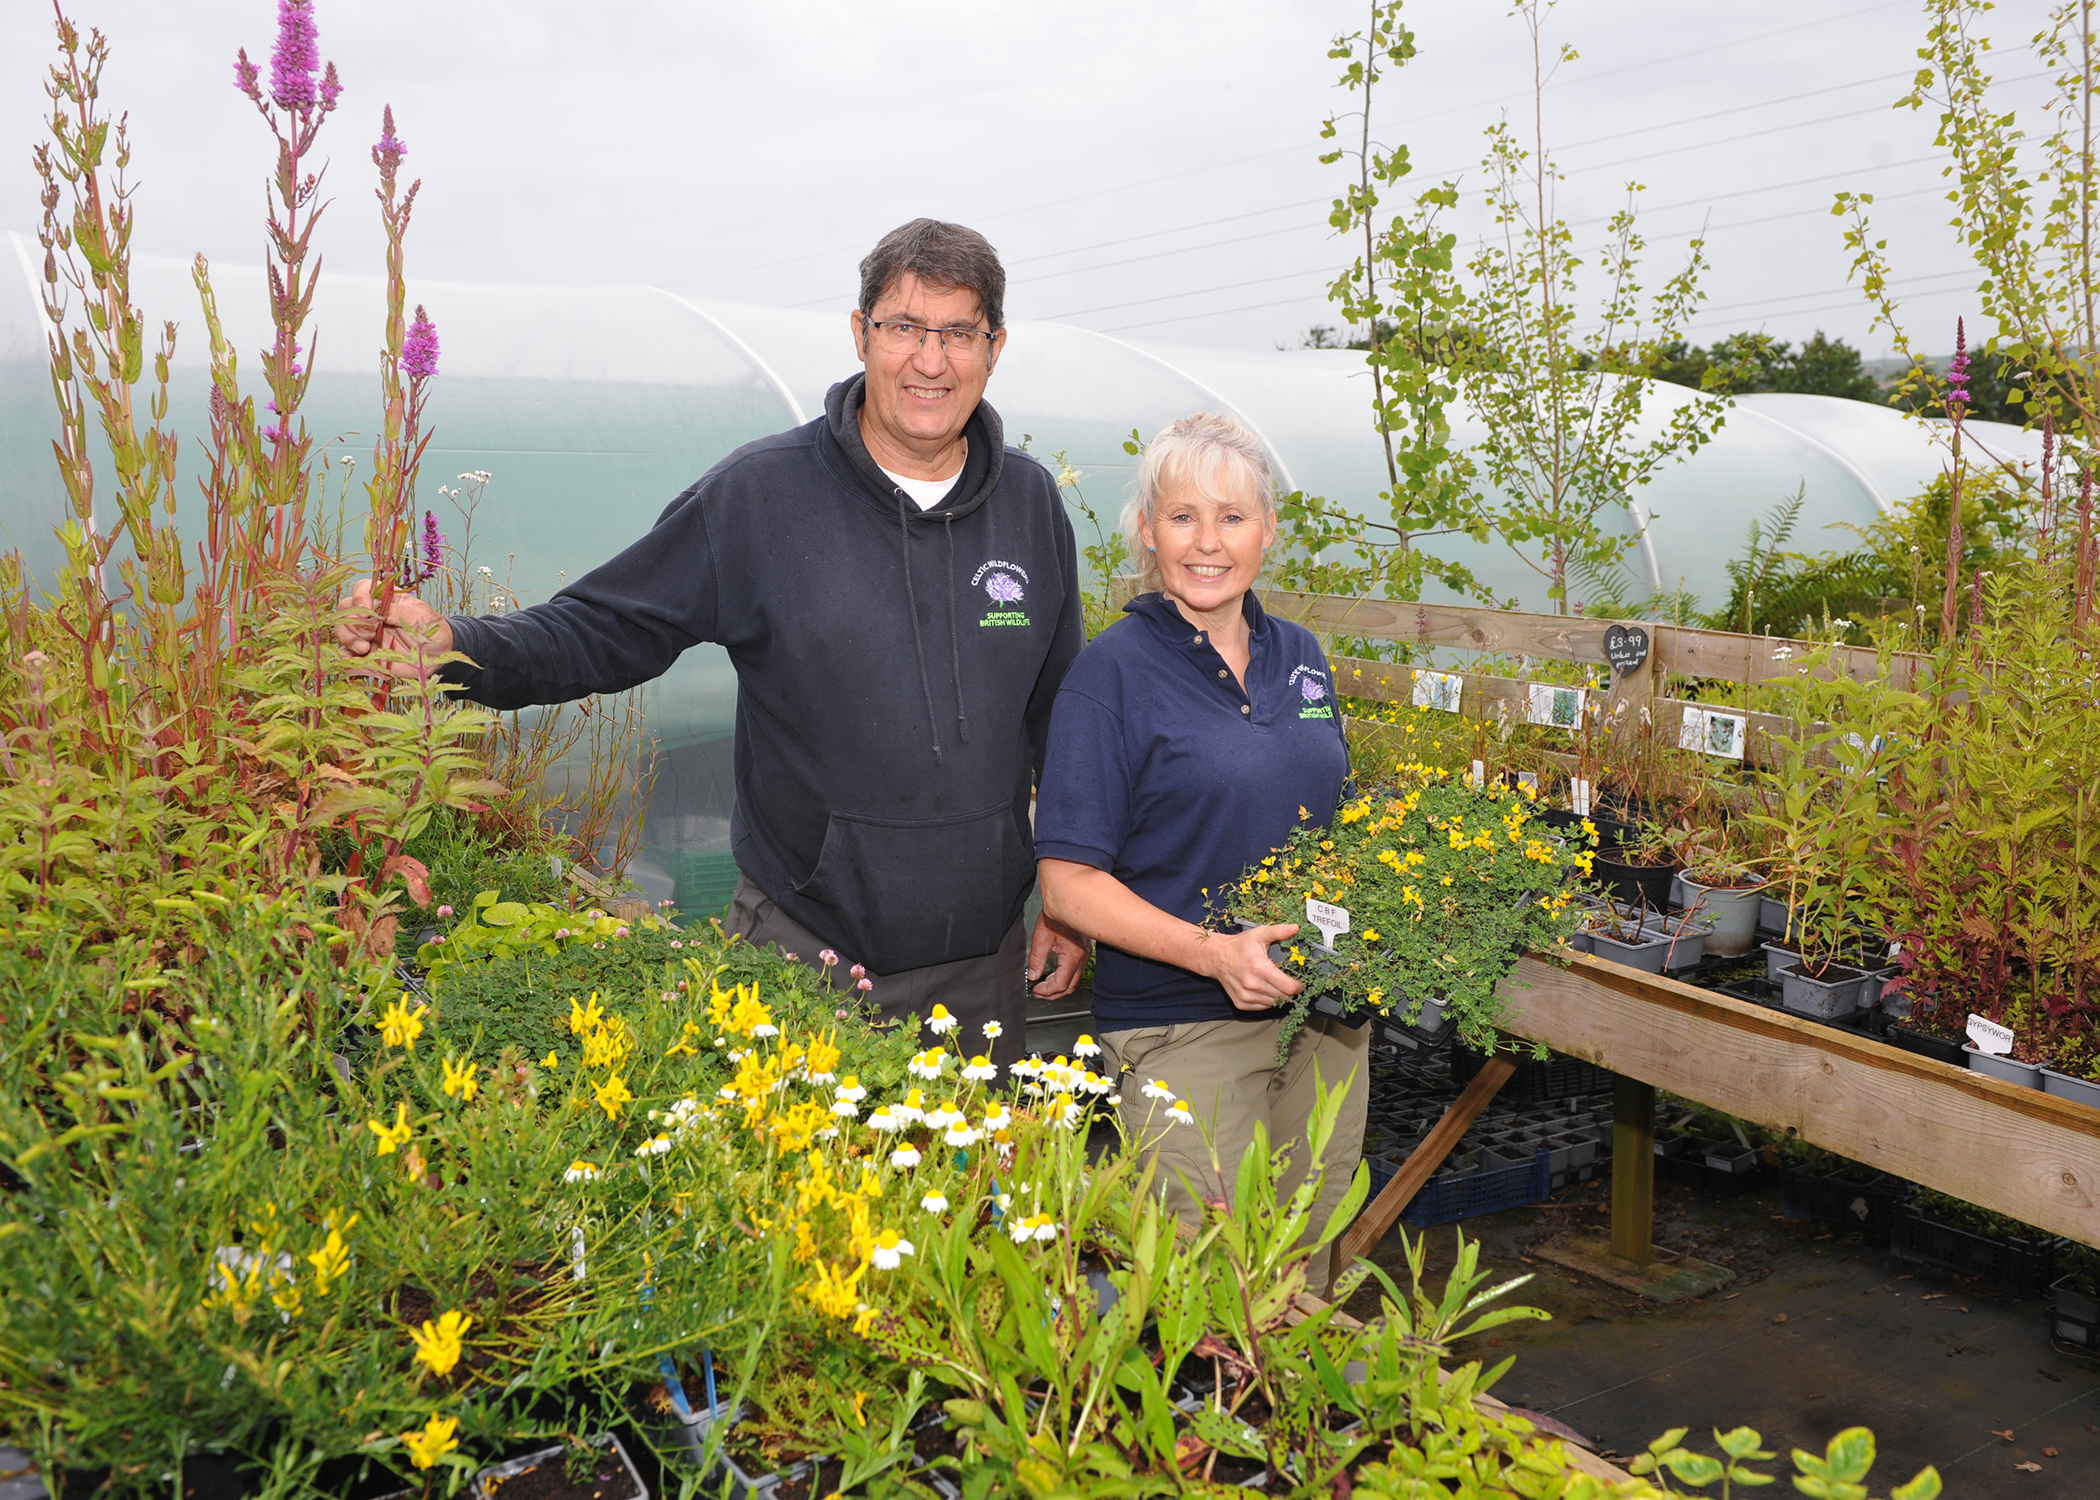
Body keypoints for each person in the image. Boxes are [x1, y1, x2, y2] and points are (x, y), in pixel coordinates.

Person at [338, 219, 1088, 1067]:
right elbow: (606, 627)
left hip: (982, 970)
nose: (930, 359)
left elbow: (1063, 725)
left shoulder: (1028, 505)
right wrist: (455, 646)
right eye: (904, 327)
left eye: (958, 333)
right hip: (808, 960)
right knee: (789, 1194)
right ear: (859, 334)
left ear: (994, 348)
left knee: (983, 1197)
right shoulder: (762, 497)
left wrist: (1069, 898)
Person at [1032, 412, 1363, 1286]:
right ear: (1147, 531)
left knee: (1303, 1273)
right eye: (1182, 517)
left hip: (1322, 1019)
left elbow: (1334, 818)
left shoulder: (1302, 656)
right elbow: (1066, 886)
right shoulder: (1111, 676)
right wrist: (1213, 954)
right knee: (1211, 1290)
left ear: (1268, 532)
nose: (1207, 543)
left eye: (1232, 517)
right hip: (1183, 1030)